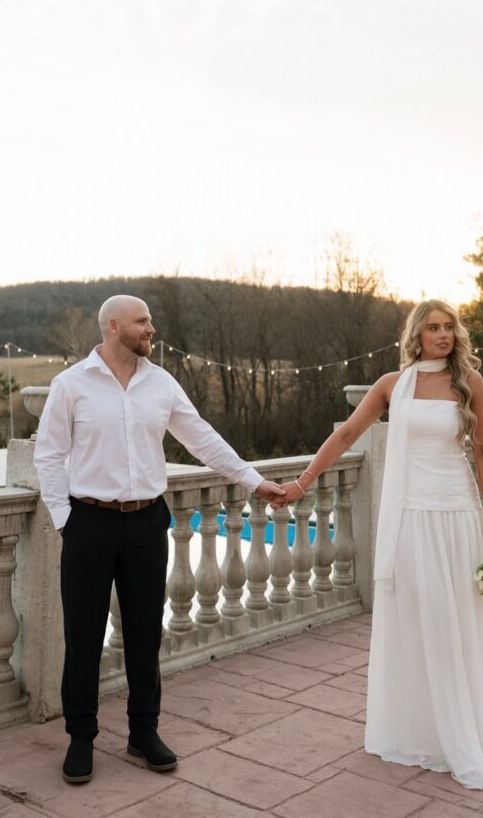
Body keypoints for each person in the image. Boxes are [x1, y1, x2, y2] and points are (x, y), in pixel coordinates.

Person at [34, 294, 286, 785]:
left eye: (150, 321)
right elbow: (49, 456)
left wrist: (255, 482)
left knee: (146, 634)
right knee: (83, 636)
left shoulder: (161, 383)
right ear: (113, 326)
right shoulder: (71, 385)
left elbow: (203, 439)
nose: (152, 328)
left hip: (148, 523)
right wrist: (66, 520)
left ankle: (142, 732)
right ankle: (81, 738)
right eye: (142, 321)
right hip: (88, 522)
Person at [275, 299, 483, 790]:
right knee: (415, 621)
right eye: (433, 329)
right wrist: (302, 482)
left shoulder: (471, 383)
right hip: (408, 517)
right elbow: (346, 435)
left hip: (457, 513)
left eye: (449, 328)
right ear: (416, 336)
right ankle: (418, 733)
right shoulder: (391, 386)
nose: (443, 336)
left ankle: (457, 738)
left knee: (452, 622)